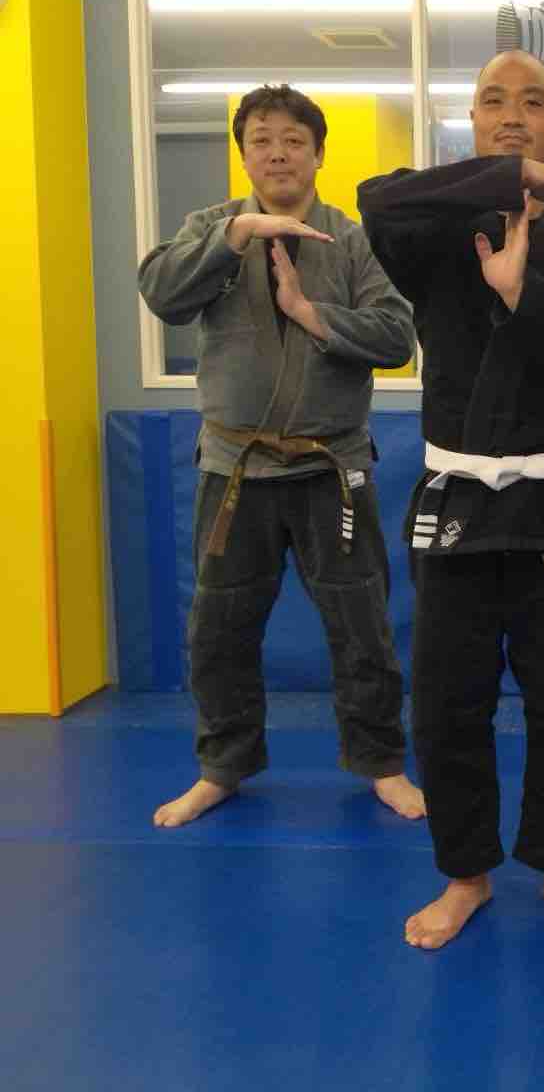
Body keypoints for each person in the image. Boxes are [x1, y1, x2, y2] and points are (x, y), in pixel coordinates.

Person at [356, 50, 544, 951]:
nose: (513, 113)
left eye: (534, 102)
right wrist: (500, 182)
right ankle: (466, 874)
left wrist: (526, 300)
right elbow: (373, 198)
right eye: (494, 100)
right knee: (447, 704)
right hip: (459, 503)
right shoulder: (436, 231)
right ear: (473, 125)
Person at [138, 84, 424, 827]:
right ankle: (222, 767)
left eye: (294, 140)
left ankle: (382, 763)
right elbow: (162, 294)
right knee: (219, 629)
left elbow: (397, 336)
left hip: (333, 468)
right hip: (234, 468)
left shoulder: (351, 239)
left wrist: (309, 313)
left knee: (362, 626)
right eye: (261, 140)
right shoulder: (210, 229)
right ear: (243, 155)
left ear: (318, 154)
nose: (277, 153)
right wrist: (234, 238)